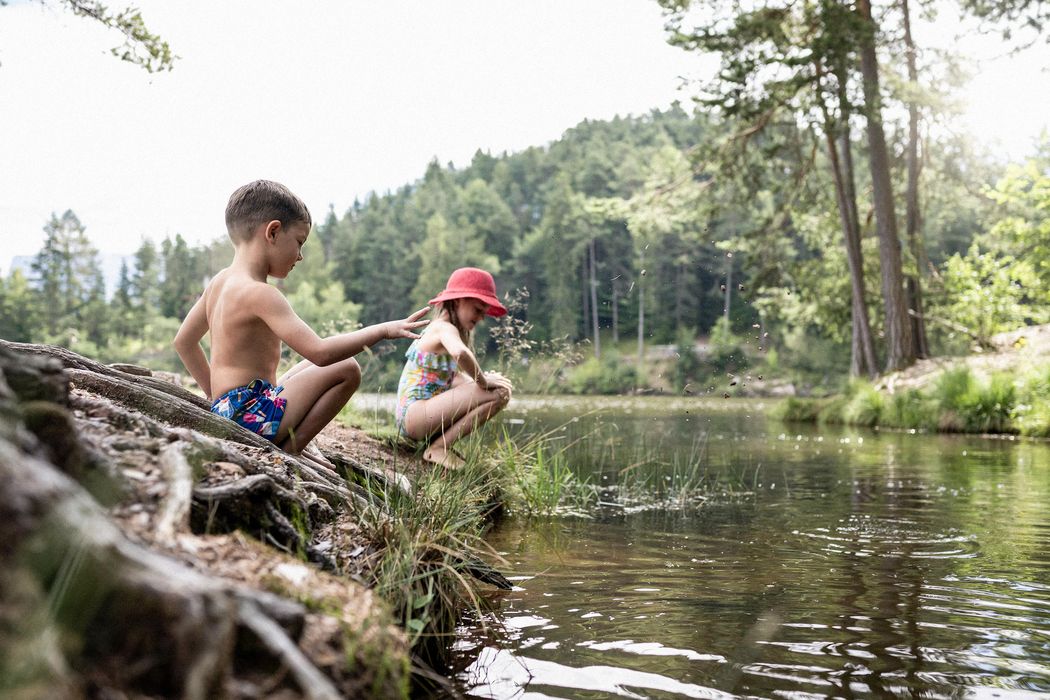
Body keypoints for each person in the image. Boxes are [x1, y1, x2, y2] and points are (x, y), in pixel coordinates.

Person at [174, 179, 428, 470]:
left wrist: (215, 396)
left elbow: (184, 341)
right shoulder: (262, 294)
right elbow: (320, 352)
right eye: (299, 242)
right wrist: (382, 331)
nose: (300, 255)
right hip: (250, 416)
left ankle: (282, 441)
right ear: (273, 231)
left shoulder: (221, 281)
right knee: (347, 369)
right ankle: (291, 451)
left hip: (233, 409)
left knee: (306, 370)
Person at [396, 267, 514, 469]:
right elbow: (461, 353)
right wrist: (483, 382)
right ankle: (438, 448)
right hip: (415, 416)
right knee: (500, 392)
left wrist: (479, 386)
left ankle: (437, 446)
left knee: (496, 390)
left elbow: (451, 379)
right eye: (478, 310)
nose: (480, 318)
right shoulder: (444, 328)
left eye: (484, 314)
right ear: (458, 301)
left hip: (415, 417)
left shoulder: (441, 329)